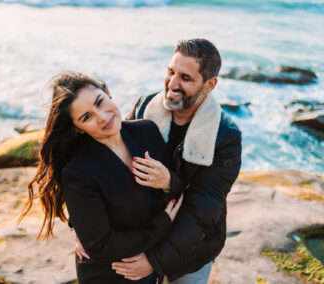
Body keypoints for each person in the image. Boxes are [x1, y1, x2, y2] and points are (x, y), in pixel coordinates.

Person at [19, 71, 184, 284]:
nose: (103, 117)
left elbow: (177, 191)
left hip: (153, 269)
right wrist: (162, 225)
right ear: (76, 128)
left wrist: (170, 181)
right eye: (86, 117)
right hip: (109, 276)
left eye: (100, 102)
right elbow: (100, 245)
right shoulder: (79, 171)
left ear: (108, 92)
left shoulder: (147, 131)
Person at [109, 39, 242, 283]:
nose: (172, 83)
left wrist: (154, 261)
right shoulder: (144, 107)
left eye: (185, 78)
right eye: (170, 72)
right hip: (140, 235)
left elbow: (203, 211)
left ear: (210, 84)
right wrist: (84, 229)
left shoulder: (226, 137)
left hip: (190, 252)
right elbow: (109, 166)